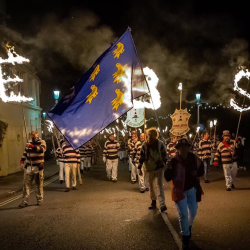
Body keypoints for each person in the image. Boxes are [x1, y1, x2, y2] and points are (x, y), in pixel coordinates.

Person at [165, 138, 204, 250]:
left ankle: (188, 227)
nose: (184, 149)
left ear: (188, 147)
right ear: (178, 149)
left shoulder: (193, 157)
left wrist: (197, 173)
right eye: (181, 147)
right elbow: (167, 177)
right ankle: (185, 238)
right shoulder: (173, 161)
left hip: (192, 189)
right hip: (178, 190)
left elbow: (202, 169)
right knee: (183, 215)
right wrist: (169, 169)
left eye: (186, 147)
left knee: (193, 211)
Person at [138, 127, 167, 212]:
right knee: (151, 186)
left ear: (155, 135)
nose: (149, 136)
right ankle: (153, 202)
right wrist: (139, 168)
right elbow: (141, 157)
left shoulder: (160, 144)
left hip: (159, 168)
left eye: (151, 135)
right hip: (149, 168)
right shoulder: (144, 145)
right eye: (148, 135)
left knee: (160, 185)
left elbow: (165, 156)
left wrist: (167, 166)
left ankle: (162, 204)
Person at [19, 131, 47, 208]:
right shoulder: (29, 142)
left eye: (35, 133)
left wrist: (32, 146)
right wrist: (22, 161)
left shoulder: (42, 142)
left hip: (38, 167)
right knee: (26, 185)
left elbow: (42, 150)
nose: (34, 134)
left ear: (38, 134)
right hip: (28, 166)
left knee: (38, 185)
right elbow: (25, 153)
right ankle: (25, 201)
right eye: (32, 133)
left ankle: (39, 200)